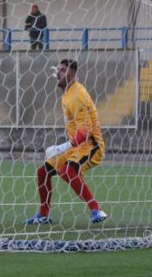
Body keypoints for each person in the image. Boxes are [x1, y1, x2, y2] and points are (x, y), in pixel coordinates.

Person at [27, 59, 108, 225]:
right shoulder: (67, 94)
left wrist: (61, 147)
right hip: (77, 145)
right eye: (58, 69)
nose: (58, 73)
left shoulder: (77, 95)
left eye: (62, 70)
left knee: (67, 171)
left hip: (92, 145)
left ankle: (96, 209)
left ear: (72, 74)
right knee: (43, 172)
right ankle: (44, 214)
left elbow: (85, 132)